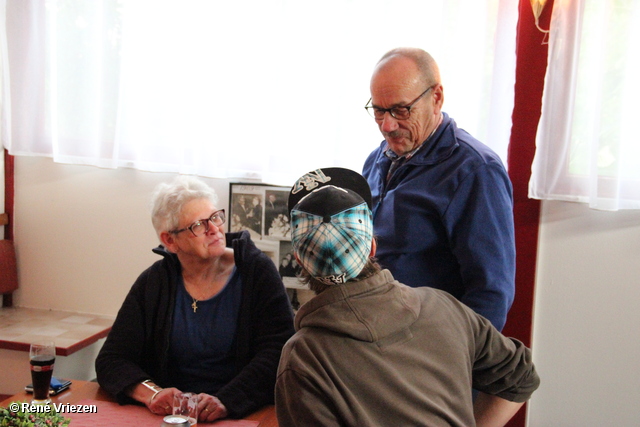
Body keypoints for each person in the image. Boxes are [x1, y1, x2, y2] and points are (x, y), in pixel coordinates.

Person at [275, 168, 539, 427]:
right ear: (372, 247)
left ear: (299, 260)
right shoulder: (445, 306)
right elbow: (520, 377)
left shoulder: (303, 357)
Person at [96, 176, 295, 423]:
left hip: (242, 413)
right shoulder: (154, 282)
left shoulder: (256, 272)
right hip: (174, 418)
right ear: (170, 240)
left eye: (215, 217)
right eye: (198, 225)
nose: (214, 229)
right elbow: (112, 359)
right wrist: (153, 394)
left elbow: (279, 352)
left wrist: (227, 401)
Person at [362, 47, 515, 331]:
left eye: (401, 110)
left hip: (431, 347)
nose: (388, 125)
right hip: (378, 336)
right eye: (379, 111)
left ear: (436, 98)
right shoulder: (377, 159)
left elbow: (491, 294)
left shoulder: (476, 171)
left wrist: (453, 362)